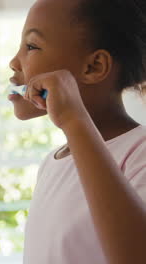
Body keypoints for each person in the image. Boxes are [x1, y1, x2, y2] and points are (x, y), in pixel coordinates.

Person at [8, 0, 146, 263]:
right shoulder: (51, 164)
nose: (14, 62)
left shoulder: (140, 154)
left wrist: (74, 120)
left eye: (32, 46)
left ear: (93, 67)